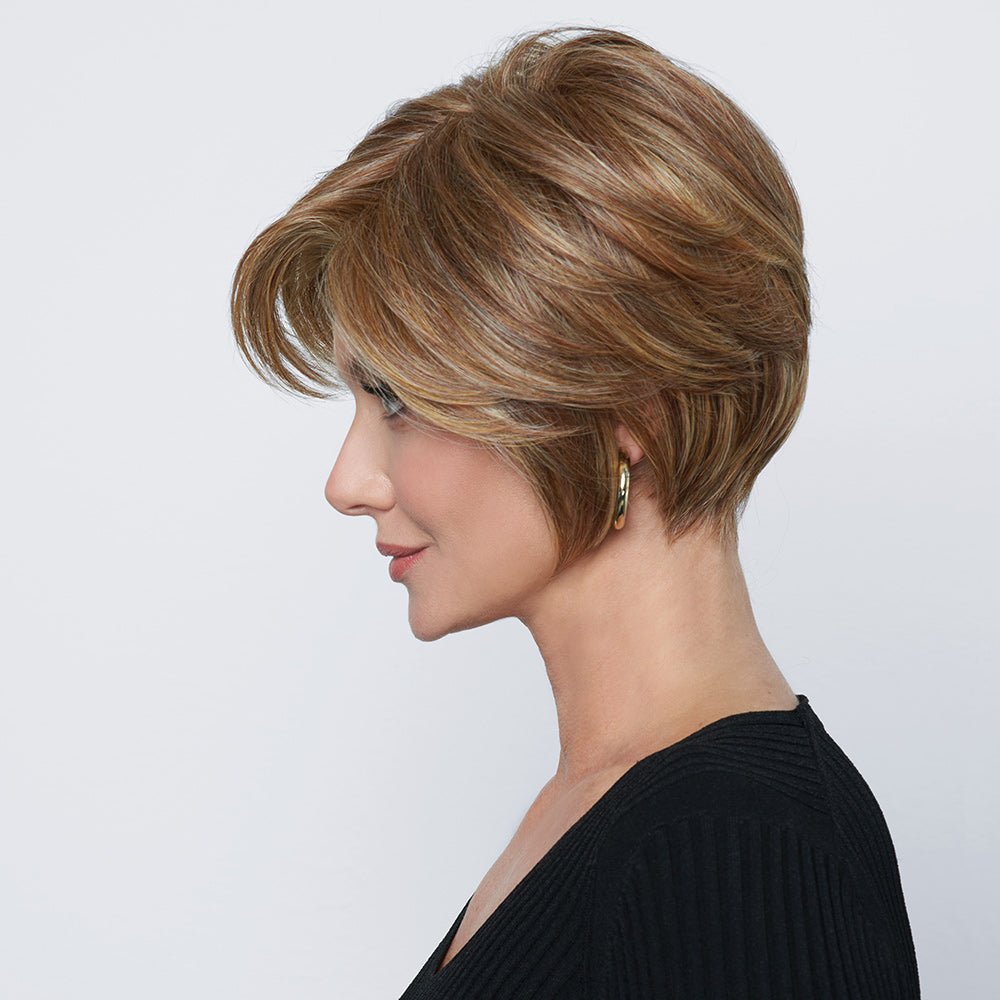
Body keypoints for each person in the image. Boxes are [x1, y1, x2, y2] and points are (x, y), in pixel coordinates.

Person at [229, 24, 921, 999]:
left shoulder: (730, 848)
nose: (349, 481)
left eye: (397, 399)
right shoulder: (607, 805)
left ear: (626, 407)